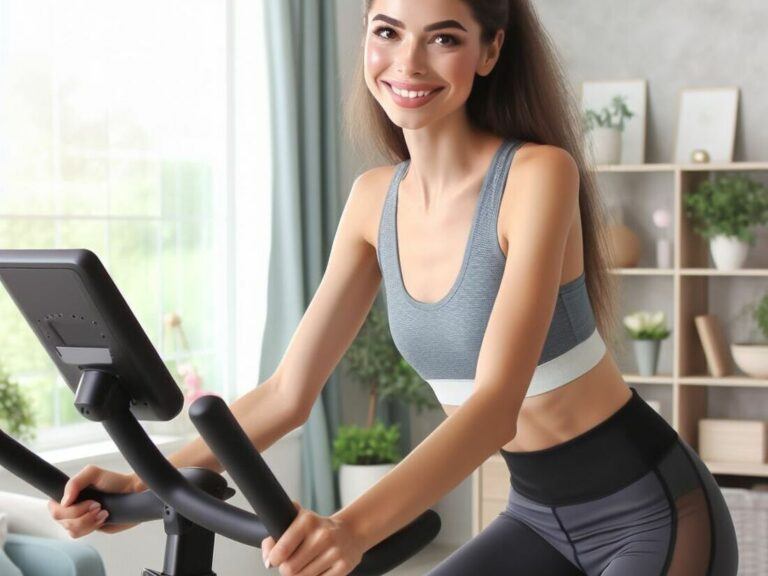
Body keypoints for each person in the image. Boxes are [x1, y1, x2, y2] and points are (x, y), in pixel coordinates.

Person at [49, 1, 739, 575]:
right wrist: (140, 478)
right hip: (535, 515)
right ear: (367, 41)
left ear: (490, 51)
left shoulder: (537, 177)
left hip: (650, 512)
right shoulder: (371, 200)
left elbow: (496, 407)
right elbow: (288, 395)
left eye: (443, 38)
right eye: (388, 32)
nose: (408, 63)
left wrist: (352, 528)